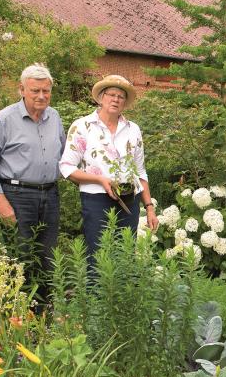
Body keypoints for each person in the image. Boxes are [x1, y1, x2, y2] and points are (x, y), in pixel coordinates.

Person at [0, 63, 66, 303]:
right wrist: (0, 200)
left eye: (46, 91)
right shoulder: (4, 119)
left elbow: (66, 156)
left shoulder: (55, 117)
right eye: (35, 90)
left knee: (48, 257)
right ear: (22, 89)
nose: (41, 96)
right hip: (17, 195)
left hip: (50, 196)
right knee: (20, 257)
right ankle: (17, 314)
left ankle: (44, 313)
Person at [59, 75, 159, 261]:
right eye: (111, 94)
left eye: (121, 96)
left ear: (125, 102)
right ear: (101, 97)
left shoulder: (133, 129)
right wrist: (100, 180)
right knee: (98, 257)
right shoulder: (82, 127)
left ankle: (121, 290)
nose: (116, 99)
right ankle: (94, 291)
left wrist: (149, 207)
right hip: (96, 200)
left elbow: (140, 171)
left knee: (125, 255)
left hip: (129, 200)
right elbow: (67, 167)